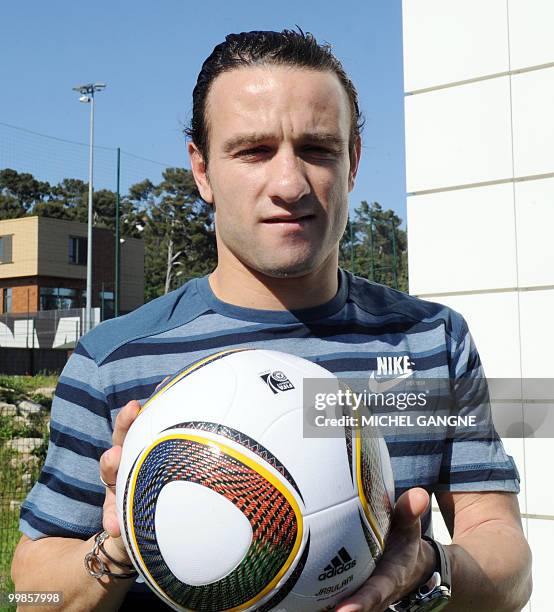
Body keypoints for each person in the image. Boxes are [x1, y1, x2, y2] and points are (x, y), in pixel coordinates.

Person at [12, 30, 531, 611]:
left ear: (353, 162)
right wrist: (115, 551)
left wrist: (430, 567)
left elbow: (509, 565)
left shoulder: (433, 342)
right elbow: (32, 589)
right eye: (254, 151)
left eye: (317, 149)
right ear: (202, 171)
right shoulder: (113, 359)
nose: (289, 184)